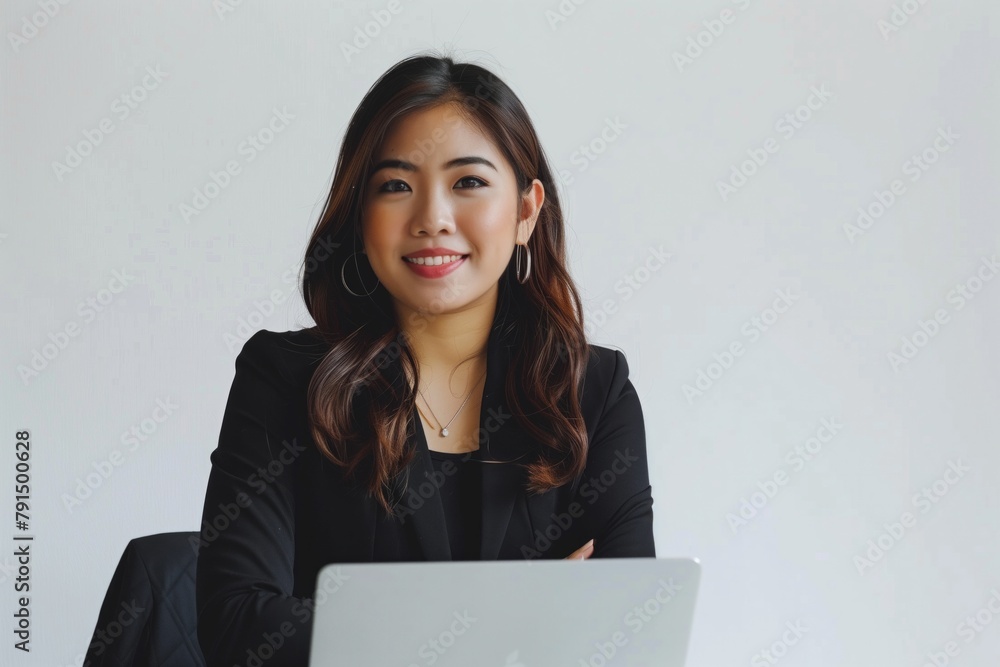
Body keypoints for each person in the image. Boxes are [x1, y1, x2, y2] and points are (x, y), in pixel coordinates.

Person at [195, 52, 655, 666]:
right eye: (396, 186)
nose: (433, 218)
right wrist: (509, 622)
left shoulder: (592, 390)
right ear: (362, 219)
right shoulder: (284, 380)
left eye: (468, 182)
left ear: (525, 212)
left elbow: (627, 634)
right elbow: (239, 629)